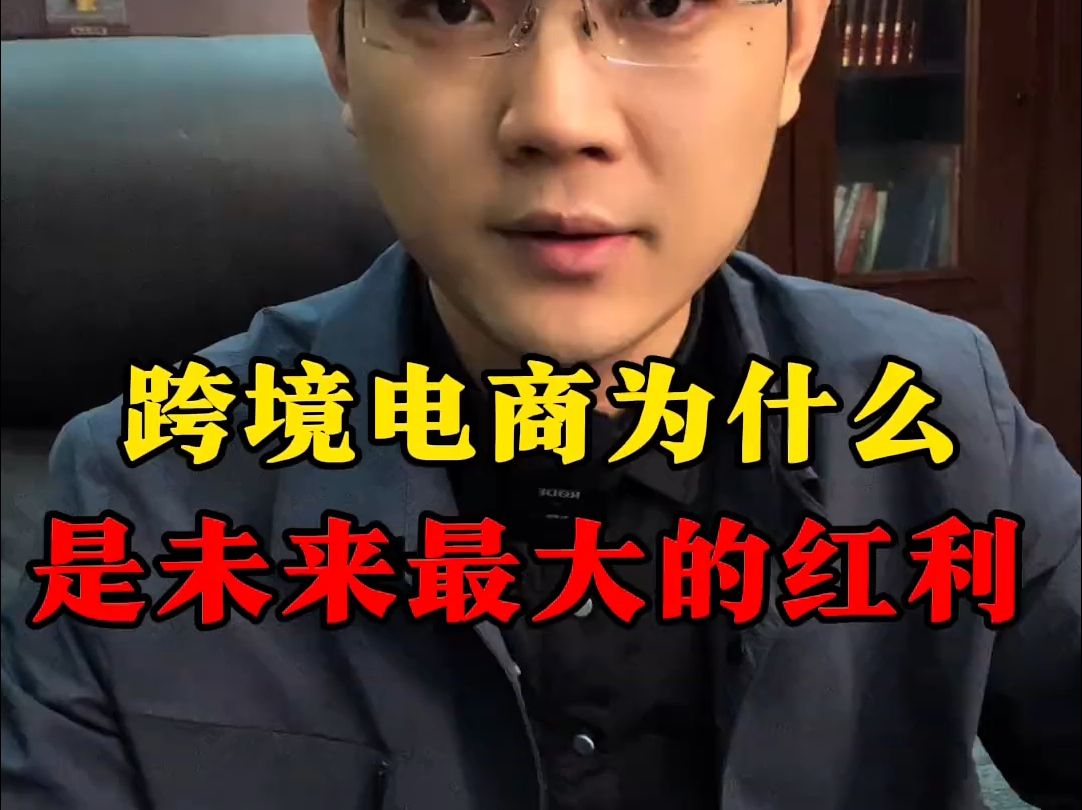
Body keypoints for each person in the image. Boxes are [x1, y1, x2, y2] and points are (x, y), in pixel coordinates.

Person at [2, 0, 1079, 808]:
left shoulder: (930, 411)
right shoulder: (140, 497)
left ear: (796, 45)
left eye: (662, 4)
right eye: (452, 6)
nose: (557, 119)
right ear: (338, 50)